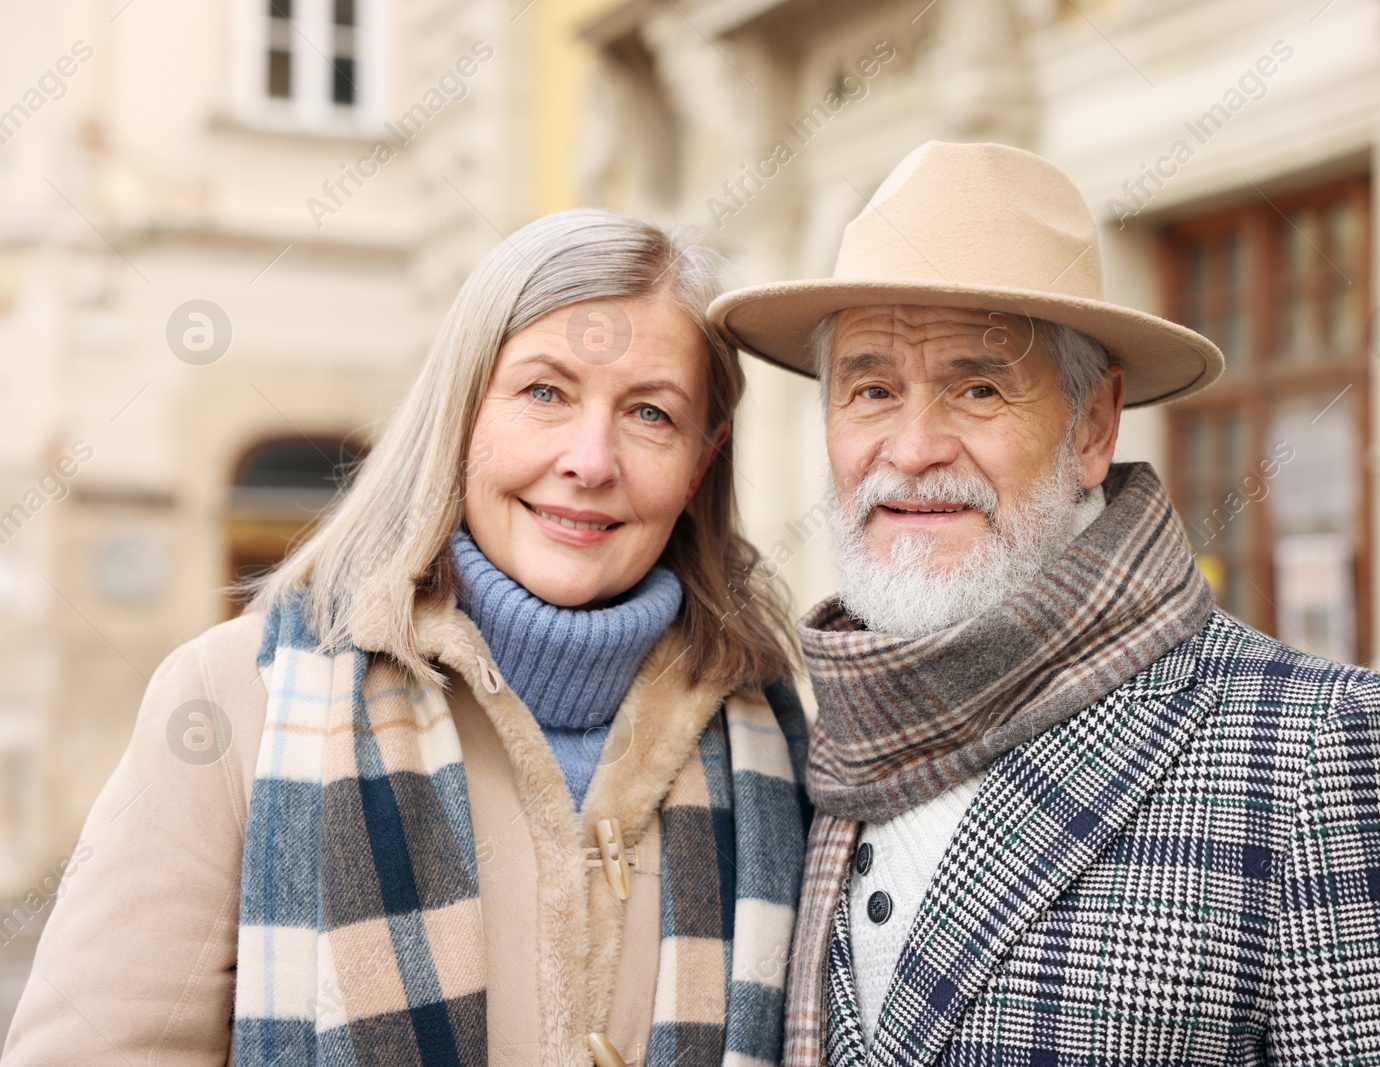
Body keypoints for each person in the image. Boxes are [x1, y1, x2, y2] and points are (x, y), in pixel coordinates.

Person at [710, 142, 1380, 1065]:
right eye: (870, 389)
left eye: (977, 387)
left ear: (1093, 426)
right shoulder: (819, 744)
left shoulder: (1330, 748)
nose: (911, 446)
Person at [4, 209, 809, 1067]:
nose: (590, 459)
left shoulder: (775, 736)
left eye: (650, 413)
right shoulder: (237, 697)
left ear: (702, 461)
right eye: (545, 392)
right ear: (462, 413)